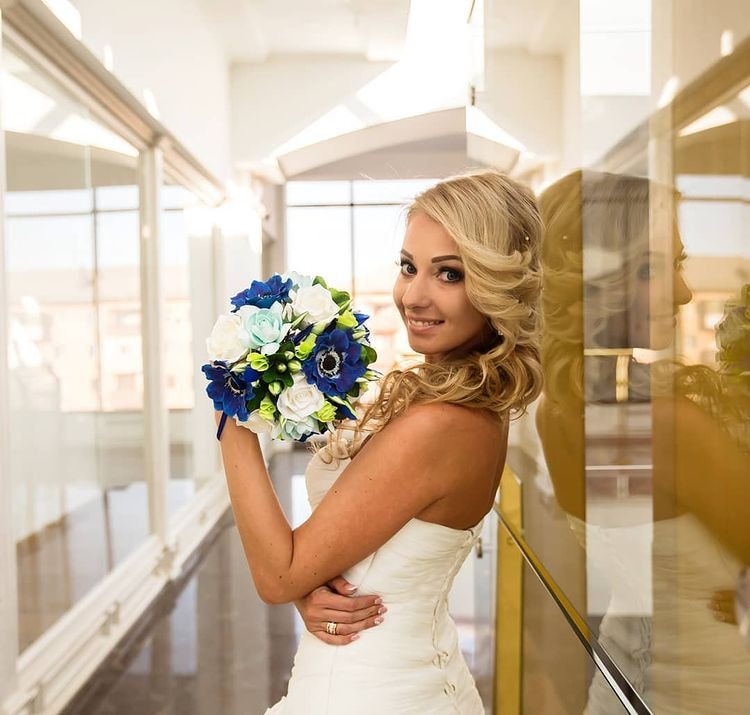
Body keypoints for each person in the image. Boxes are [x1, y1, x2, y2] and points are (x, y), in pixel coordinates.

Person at [214, 169, 544, 714]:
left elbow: (277, 574)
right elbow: (332, 558)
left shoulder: (441, 423)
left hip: (365, 691)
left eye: (450, 274)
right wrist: (309, 584)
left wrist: (233, 420)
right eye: (409, 266)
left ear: (495, 287)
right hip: (408, 677)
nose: (414, 295)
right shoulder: (467, 405)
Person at [535, 169, 750, 714]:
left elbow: (647, 547)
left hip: (621, 687)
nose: (684, 292)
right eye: (658, 268)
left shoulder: (566, 410)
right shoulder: (666, 427)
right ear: (596, 277)